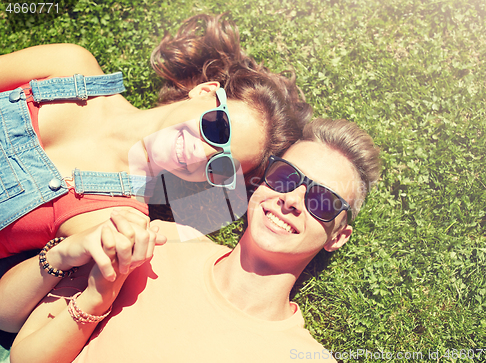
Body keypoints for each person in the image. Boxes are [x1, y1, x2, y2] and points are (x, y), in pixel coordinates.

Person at [0, 13, 312, 336]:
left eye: (220, 166)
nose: (201, 153)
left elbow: (4, 316)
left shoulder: (118, 221)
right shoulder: (70, 67)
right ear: (205, 92)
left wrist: (60, 255)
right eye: (216, 128)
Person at [10, 118, 381, 362]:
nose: (292, 200)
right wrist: (76, 271)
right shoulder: (159, 241)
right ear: (262, 183)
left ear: (339, 236)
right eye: (285, 177)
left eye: (322, 201)